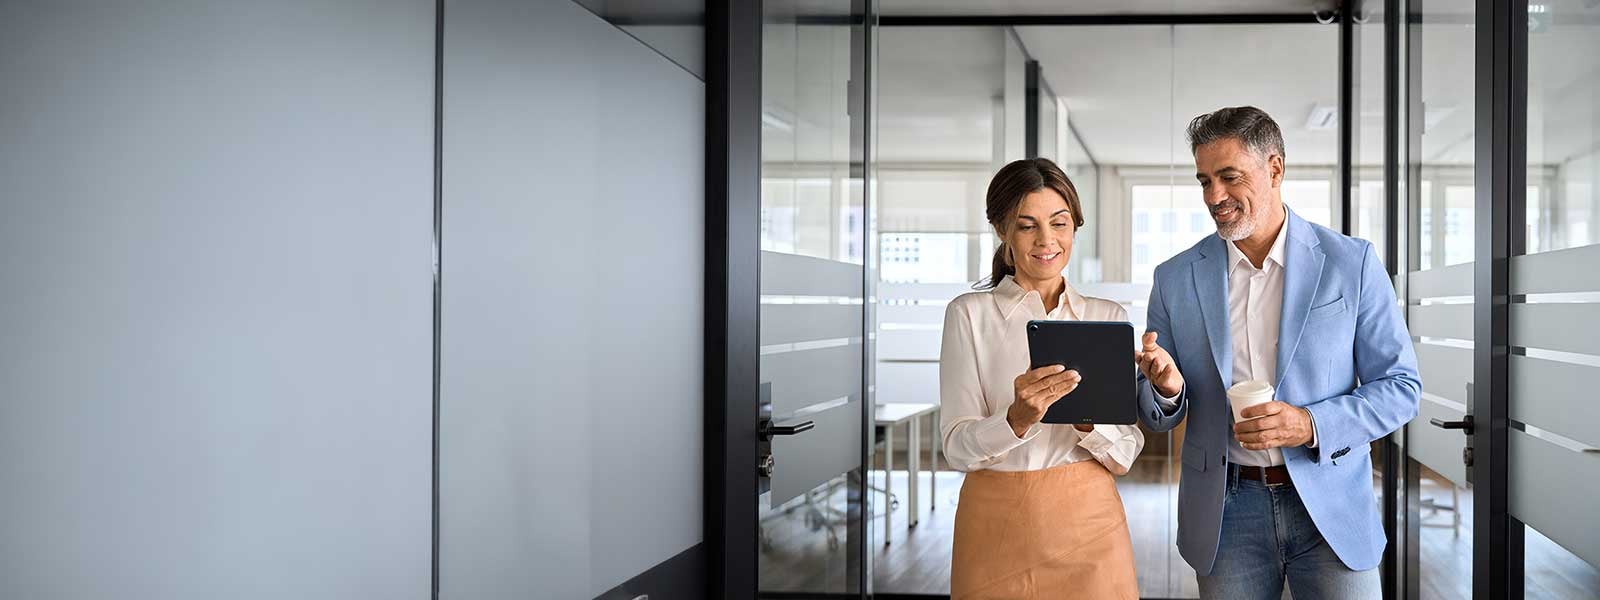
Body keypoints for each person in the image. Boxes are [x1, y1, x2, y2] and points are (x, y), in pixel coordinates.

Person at [1133, 106, 1422, 598]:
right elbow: (1155, 411)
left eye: (1229, 177)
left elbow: (1401, 389)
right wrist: (1164, 389)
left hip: (1329, 505)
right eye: (1204, 181)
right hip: (1226, 513)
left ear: (1275, 169)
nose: (1214, 197)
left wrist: (1310, 424)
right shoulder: (1174, 277)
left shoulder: (1351, 263)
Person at [940, 157, 1145, 600]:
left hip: (1090, 527)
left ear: (1075, 227)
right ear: (1002, 231)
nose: (1046, 240)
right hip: (994, 529)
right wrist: (1014, 420)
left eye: (1060, 223)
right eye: (1026, 225)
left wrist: (1089, 422)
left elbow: (1126, 453)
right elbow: (956, 448)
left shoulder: (1107, 318)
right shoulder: (968, 315)